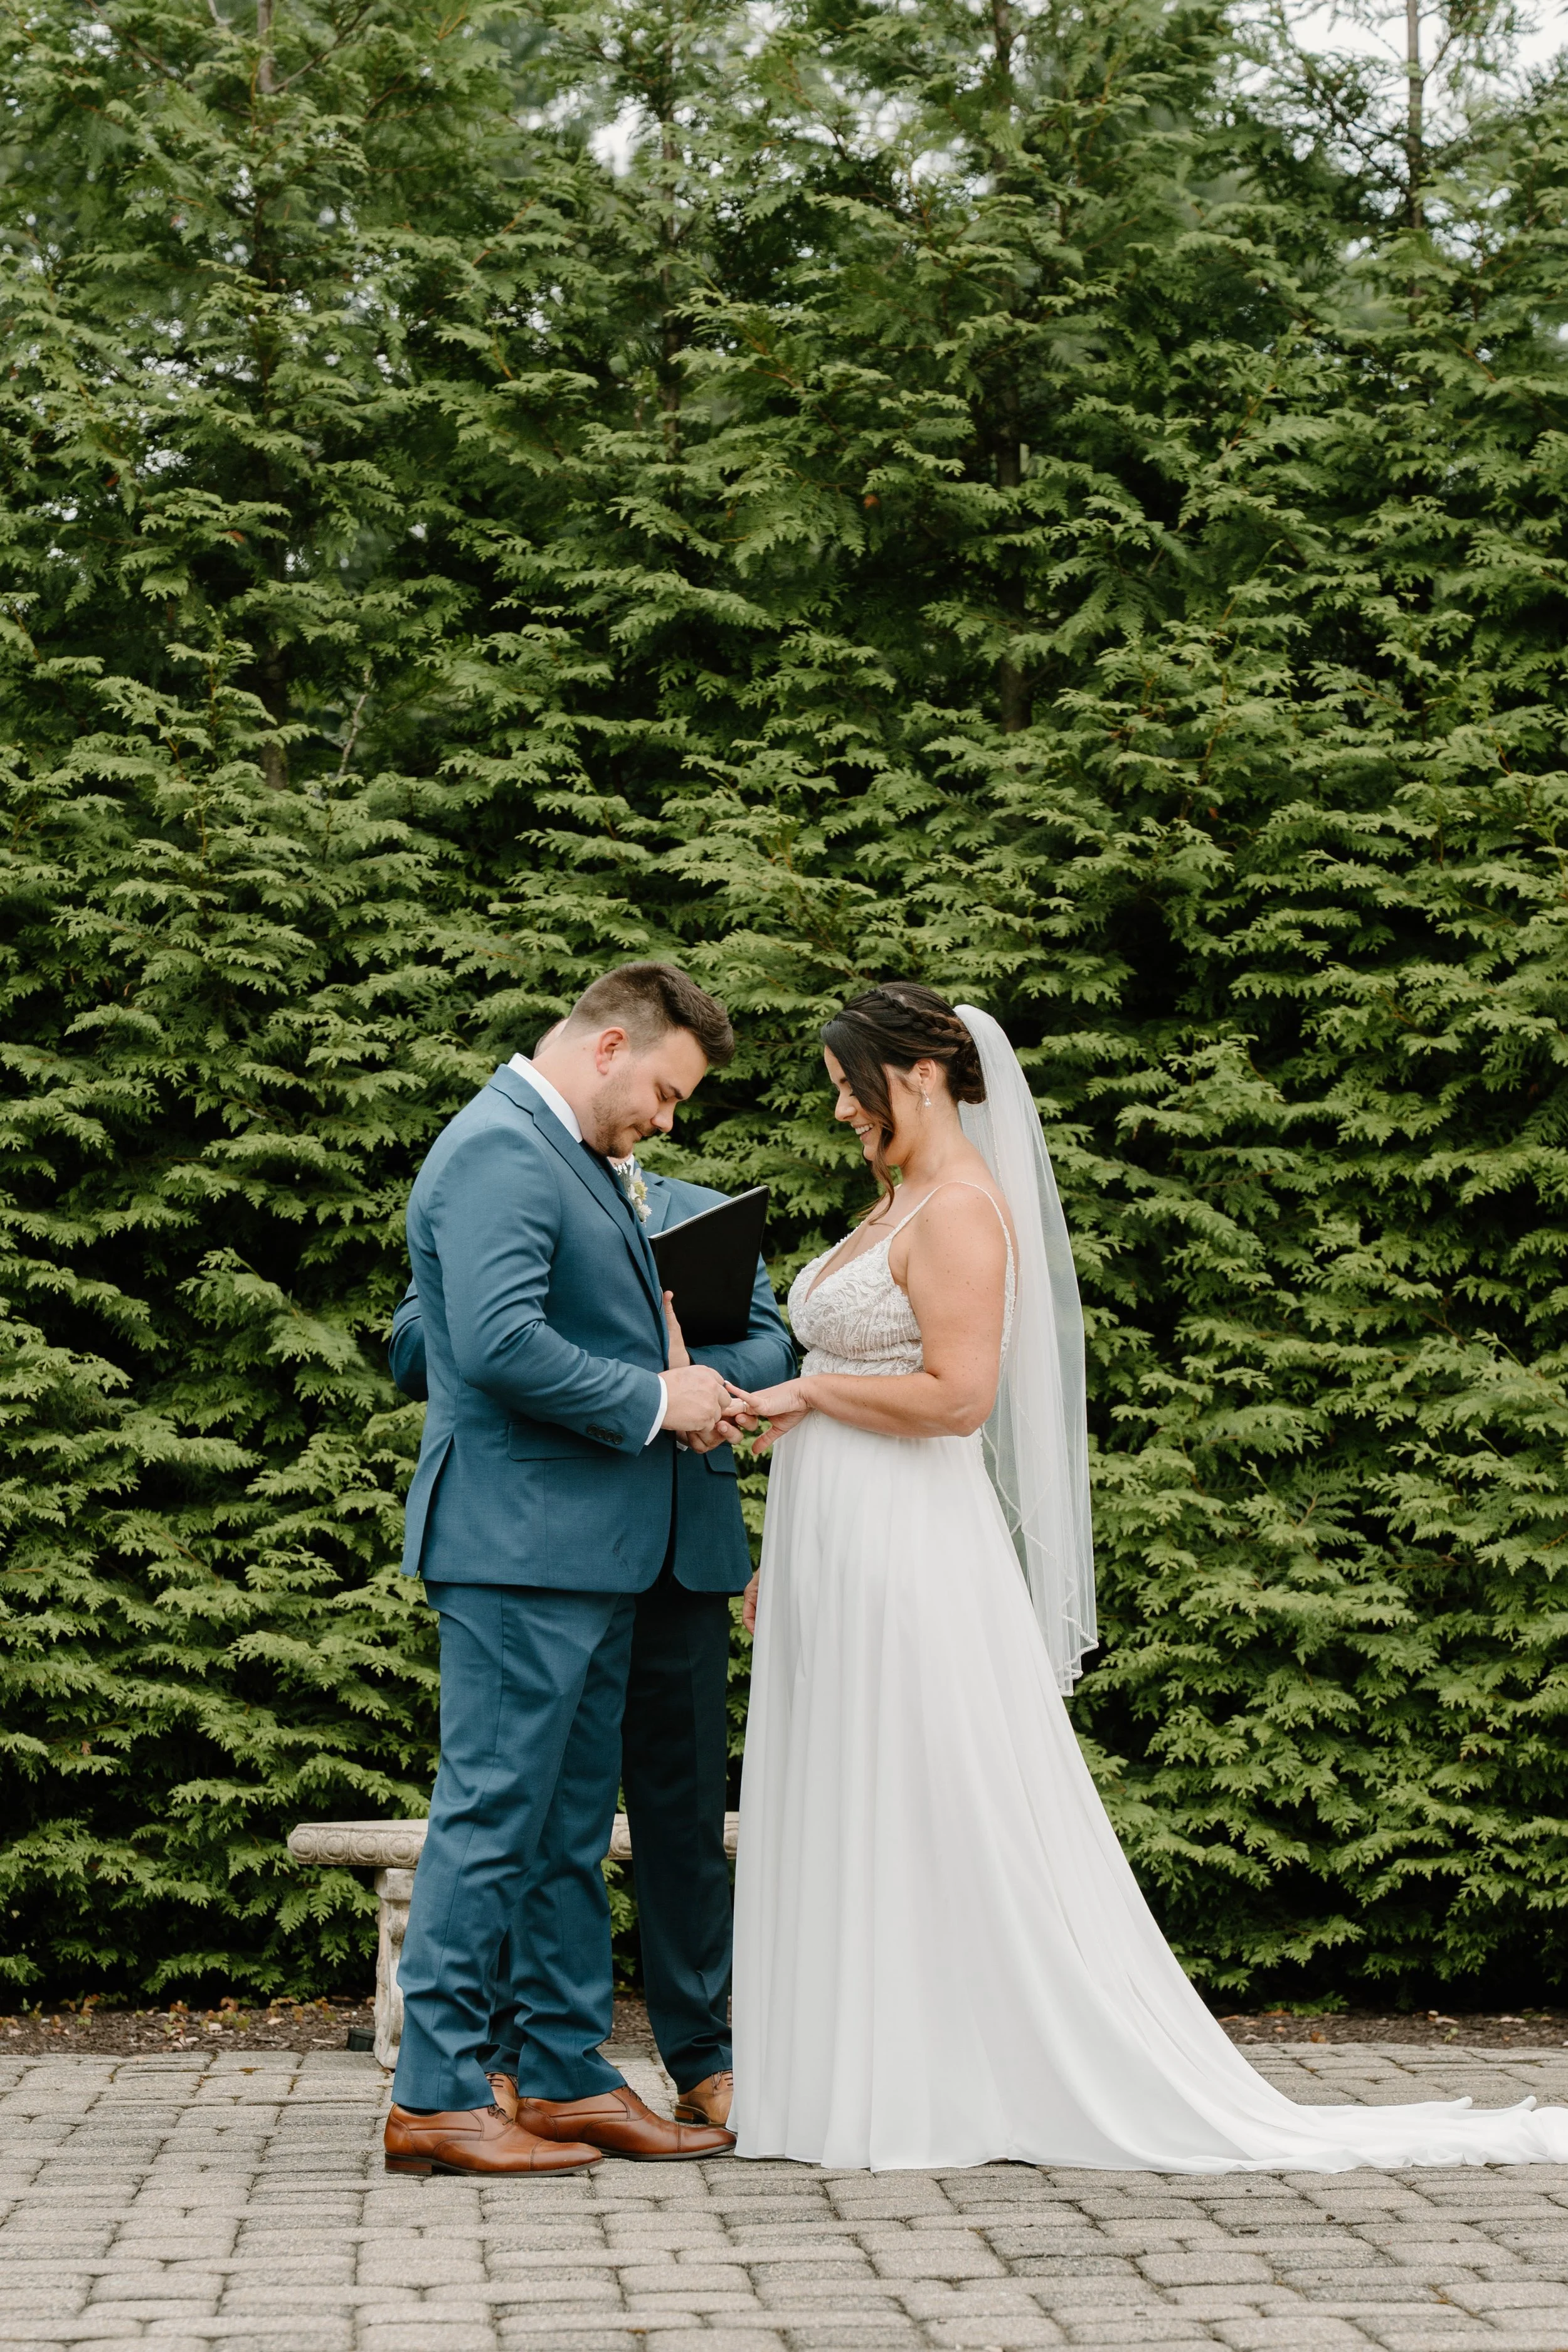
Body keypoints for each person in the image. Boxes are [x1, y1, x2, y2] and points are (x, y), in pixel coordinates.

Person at [728, 981, 1568, 2173]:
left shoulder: (962, 1209)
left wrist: (808, 1391)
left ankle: (926, 2084)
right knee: (855, 1785)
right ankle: (846, 2078)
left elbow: (960, 1399)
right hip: (835, 1537)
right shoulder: (893, 1200)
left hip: (912, 1542)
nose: (840, 1112)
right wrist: (778, 1551)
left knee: (920, 1790)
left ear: (917, 1074)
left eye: (848, 1088)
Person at [382, 962, 748, 2180]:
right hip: (513, 1547)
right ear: (605, 1048)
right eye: (665, 1090)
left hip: (583, 1556)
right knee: (490, 1816)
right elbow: (487, 1349)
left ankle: (561, 2073)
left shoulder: (572, 1157)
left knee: (561, 1830)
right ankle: (435, 2094)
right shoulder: (498, 1149)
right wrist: (657, 1396)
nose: (666, 1119)